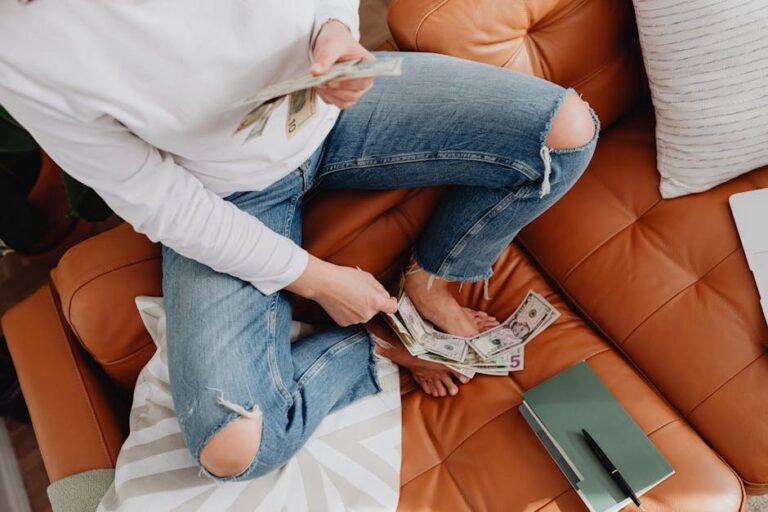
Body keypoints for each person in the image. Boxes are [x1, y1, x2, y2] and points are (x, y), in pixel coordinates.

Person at [0, 1, 598, 482]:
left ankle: (433, 278)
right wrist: (314, 278)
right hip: (225, 197)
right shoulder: (17, 47)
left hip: (337, 112)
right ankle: (378, 348)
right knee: (232, 451)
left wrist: (335, 30)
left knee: (568, 133)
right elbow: (156, 200)